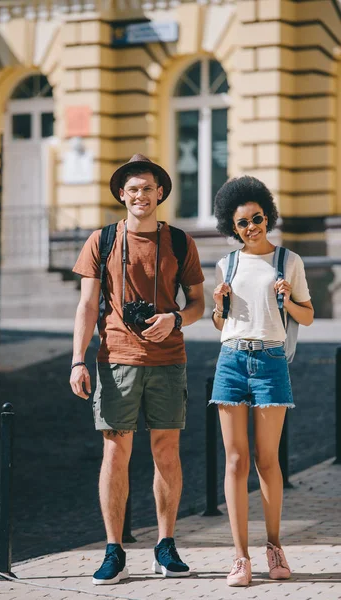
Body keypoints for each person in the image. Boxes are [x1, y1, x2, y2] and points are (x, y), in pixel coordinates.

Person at [70, 154, 205, 585]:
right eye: (133, 189)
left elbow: (200, 303)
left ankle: (165, 546)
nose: (140, 195)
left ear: (160, 192)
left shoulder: (181, 241)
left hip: (169, 359)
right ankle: (114, 550)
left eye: (148, 188)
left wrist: (176, 319)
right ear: (122, 196)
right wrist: (77, 359)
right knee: (116, 452)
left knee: (167, 452)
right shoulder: (102, 240)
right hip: (116, 359)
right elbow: (88, 304)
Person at [210, 176, 314, 587]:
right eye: (242, 223)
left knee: (266, 460)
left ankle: (274, 547)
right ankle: (240, 557)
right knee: (234, 461)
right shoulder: (226, 264)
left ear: (267, 216)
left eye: (257, 218)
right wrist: (219, 305)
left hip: (270, 362)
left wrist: (287, 298)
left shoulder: (289, 260)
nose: (251, 227)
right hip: (231, 359)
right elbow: (220, 322)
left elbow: (306, 316)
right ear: (231, 227)